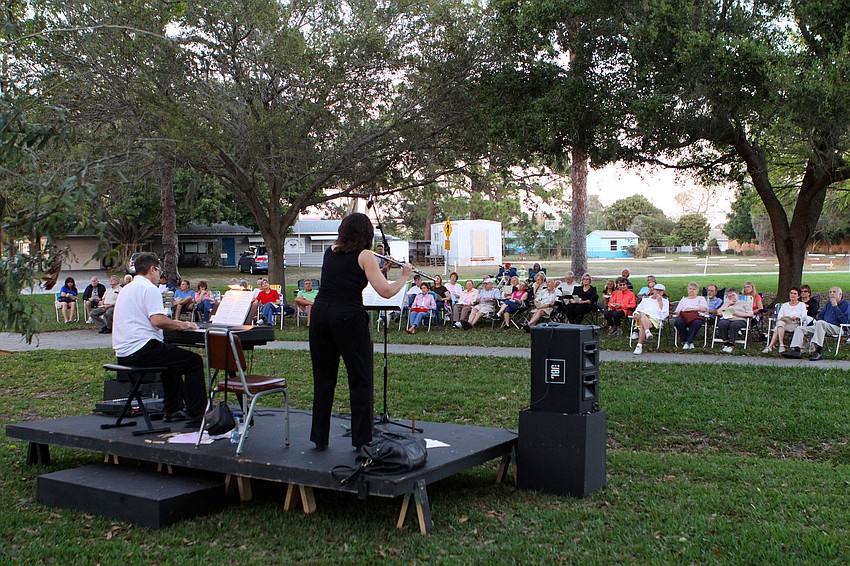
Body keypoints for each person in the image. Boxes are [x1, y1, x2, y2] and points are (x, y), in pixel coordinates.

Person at [309, 212, 412, 451]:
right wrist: (404, 276)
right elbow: (386, 292)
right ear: (366, 234)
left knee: (324, 379)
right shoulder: (365, 255)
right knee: (360, 378)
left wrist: (380, 269)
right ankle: (362, 439)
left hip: (321, 314)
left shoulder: (330, 251)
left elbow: (349, 277)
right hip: (348, 317)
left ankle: (319, 437)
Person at [111, 252, 206, 426]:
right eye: (158, 270)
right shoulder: (149, 288)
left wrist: (174, 323)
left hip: (123, 352)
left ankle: (172, 409)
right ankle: (196, 415)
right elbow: (157, 320)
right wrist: (183, 325)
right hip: (140, 350)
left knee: (172, 359)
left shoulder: (128, 288)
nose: (159, 274)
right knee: (194, 361)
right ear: (152, 269)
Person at [782, 286, 850, 361]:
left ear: (840, 294)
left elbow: (845, 321)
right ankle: (796, 350)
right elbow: (820, 315)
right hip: (822, 326)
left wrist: (835, 307)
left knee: (820, 323)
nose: (832, 294)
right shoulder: (828, 304)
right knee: (800, 328)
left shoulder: (846, 305)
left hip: (838, 328)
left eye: (834, 292)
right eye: (830, 292)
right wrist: (819, 322)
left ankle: (818, 351)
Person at [763, 287, 806, 354]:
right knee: (780, 323)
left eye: (795, 293)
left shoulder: (801, 305)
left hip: (795, 324)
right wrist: (783, 318)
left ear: (798, 296)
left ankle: (772, 346)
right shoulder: (785, 305)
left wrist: (797, 317)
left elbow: (804, 316)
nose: (792, 295)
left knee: (778, 327)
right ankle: (781, 345)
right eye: (791, 293)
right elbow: (779, 316)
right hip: (785, 323)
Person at [632, 284, 669, 355]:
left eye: (660, 291)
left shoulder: (665, 301)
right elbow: (637, 310)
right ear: (653, 290)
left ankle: (639, 345)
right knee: (642, 314)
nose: (658, 292)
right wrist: (636, 314)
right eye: (656, 290)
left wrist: (660, 302)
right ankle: (647, 332)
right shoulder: (646, 300)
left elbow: (664, 315)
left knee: (643, 322)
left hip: (655, 319)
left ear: (663, 292)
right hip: (642, 317)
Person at [715, 288, 753, 353]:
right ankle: (726, 343)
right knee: (722, 323)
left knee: (734, 324)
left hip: (740, 319)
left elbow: (750, 314)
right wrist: (727, 304)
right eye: (729, 296)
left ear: (737, 295)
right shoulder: (726, 303)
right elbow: (718, 313)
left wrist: (738, 314)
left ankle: (731, 344)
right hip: (727, 318)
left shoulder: (744, 303)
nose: (732, 297)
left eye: (733, 295)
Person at [674, 282, 709, 349]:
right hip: (684, 316)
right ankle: (686, 341)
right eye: (690, 289)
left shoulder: (700, 298)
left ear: (697, 291)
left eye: (694, 289)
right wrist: (684, 311)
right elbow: (677, 311)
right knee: (678, 322)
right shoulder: (684, 299)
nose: (691, 290)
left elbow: (704, 309)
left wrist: (692, 309)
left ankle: (688, 342)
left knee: (696, 323)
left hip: (696, 316)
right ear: (687, 290)